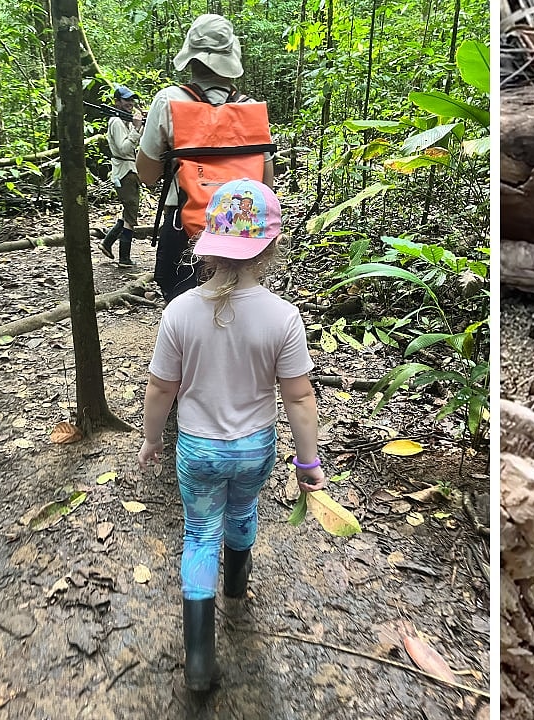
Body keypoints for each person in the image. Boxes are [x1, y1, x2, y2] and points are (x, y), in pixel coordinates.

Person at [135, 178, 325, 691]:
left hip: (197, 447)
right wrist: (308, 466)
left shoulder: (179, 312)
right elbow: (299, 399)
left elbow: (160, 387)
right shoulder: (283, 317)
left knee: (200, 534)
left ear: (207, 244)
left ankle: (198, 657)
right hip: (254, 445)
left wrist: (152, 438)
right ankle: (237, 592)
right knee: (243, 511)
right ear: (270, 246)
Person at [136, 13, 274, 303]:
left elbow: (146, 175)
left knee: (182, 305)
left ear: (191, 58)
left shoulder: (168, 101)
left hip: (184, 226)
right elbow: (266, 187)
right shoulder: (250, 109)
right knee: (239, 306)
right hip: (243, 228)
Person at [97, 85, 143, 268]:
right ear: (117, 102)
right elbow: (124, 148)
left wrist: (137, 124)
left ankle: (107, 244)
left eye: (131, 100)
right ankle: (124, 258)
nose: (129, 103)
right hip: (124, 171)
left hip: (129, 170)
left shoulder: (126, 120)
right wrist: (136, 129)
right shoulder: (116, 122)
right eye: (126, 100)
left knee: (128, 214)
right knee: (131, 216)